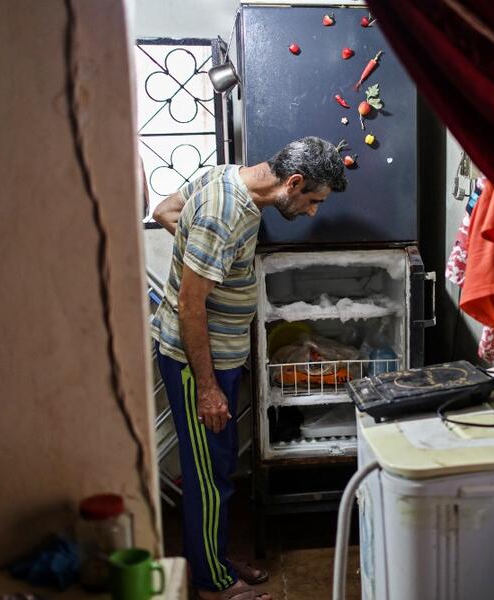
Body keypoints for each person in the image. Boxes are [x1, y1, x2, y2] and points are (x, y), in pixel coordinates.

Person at [151, 136, 347, 600]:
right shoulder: (225, 213)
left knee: (218, 469)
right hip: (196, 365)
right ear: (293, 183)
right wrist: (207, 388)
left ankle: (212, 559)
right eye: (314, 201)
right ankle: (212, 584)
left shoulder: (225, 174)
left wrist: (204, 258)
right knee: (207, 476)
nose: (313, 212)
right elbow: (188, 304)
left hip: (220, 357)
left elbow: (164, 211)